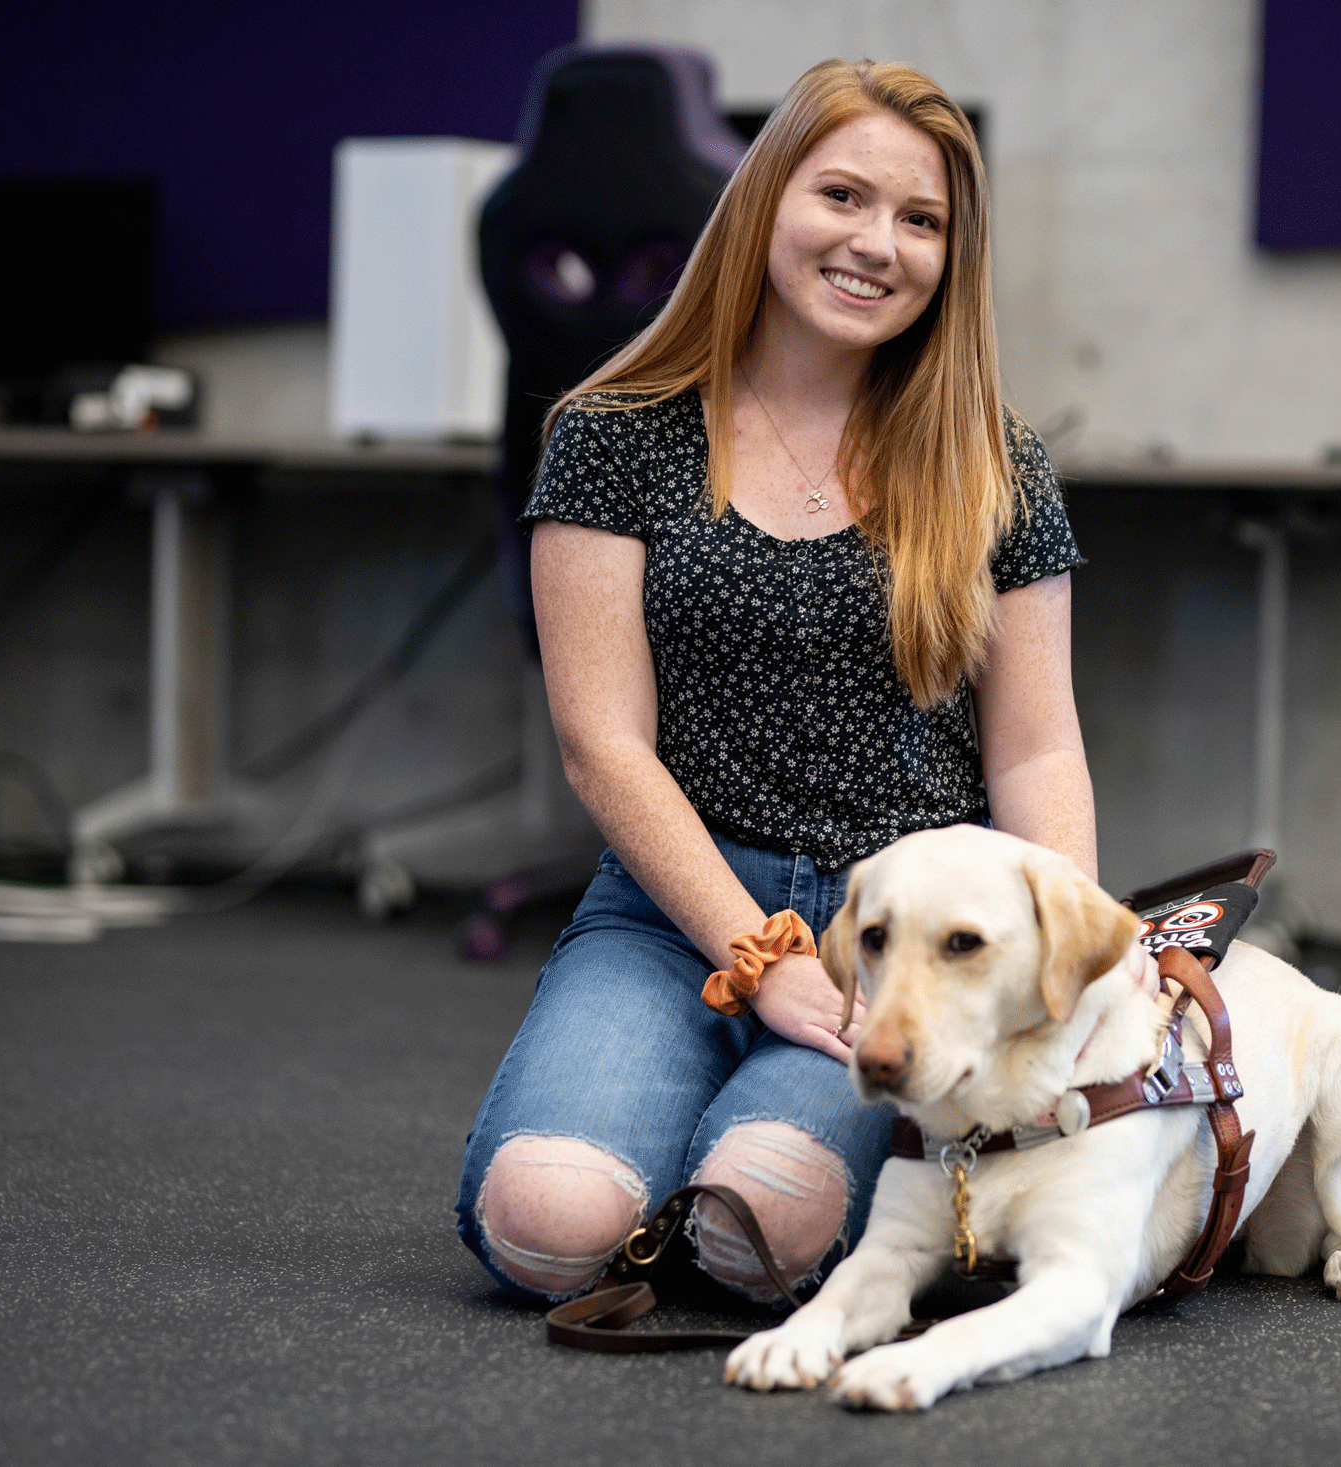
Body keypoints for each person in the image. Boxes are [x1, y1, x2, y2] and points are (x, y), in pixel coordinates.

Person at [454, 57, 1095, 1305]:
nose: (878, 244)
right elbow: (602, 746)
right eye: (843, 197)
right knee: (549, 1223)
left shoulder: (992, 461)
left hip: (901, 932)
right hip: (667, 908)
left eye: (922, 222)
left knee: (765, 1224)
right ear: (762, 202)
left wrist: (1055, 965)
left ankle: (746, 1169)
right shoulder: (613, 432)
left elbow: (1037, 751)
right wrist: (755, 955)